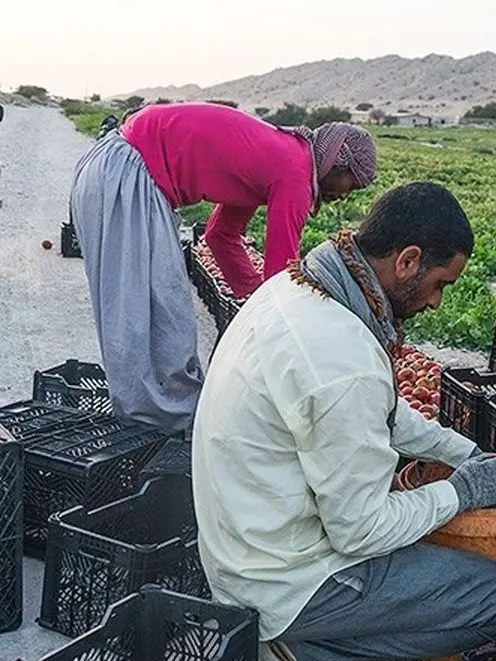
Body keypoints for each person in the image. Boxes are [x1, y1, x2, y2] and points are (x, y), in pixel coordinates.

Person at [190, 182, 496, 661]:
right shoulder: (342, 361)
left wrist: (467, 453)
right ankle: (296, 651)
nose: (436, 302)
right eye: (440, 284)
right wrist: (461, 492)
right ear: (407, 262)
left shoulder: (300, 288)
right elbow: (360, 531)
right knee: (493, 599)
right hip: (283, 578)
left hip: (243, 544)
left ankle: (289, 634)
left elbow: (385, 413)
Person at [69, 101, 378, 435]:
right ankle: (158, 432)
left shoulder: (285, 155)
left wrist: (253, 298)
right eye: (352, 183)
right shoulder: (296, 173)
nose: (346, 195)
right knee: (145, 315)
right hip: (129, 173)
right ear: (336, 163)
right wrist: (301, 331)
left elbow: (221, 236)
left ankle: (164, 424)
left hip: (117, 165)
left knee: (160, 314)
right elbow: (281, 278)